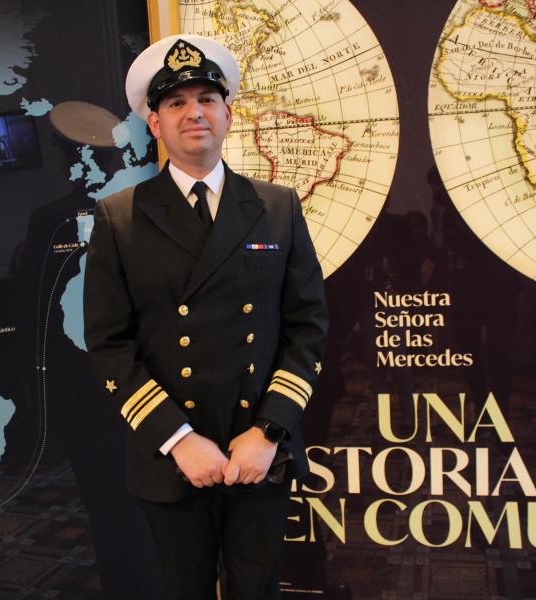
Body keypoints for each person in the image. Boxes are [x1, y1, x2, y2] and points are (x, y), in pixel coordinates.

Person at [83, 34, 328, 600]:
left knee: (256, 591)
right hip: (171, 455)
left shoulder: (277, 207)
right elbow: (109, 344)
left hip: (258, 451)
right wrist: (179, 438)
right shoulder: (120, 218)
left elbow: (307, 327)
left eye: (207, 99)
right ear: (155, 123)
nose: (194, 112)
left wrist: (268, 431)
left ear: (228, 114)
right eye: (176, 103)